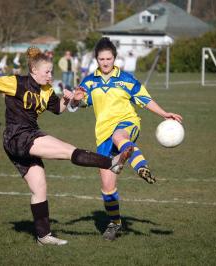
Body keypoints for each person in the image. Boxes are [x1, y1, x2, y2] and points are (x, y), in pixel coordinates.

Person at [0, 47, 133, 246]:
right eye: (47, 72)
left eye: (51, 71)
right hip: (18, 135)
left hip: (28, 136)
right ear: (34, 70)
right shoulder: (16, 82)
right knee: (67, 150)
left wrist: (69, 99)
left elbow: (59, 109)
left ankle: (43, 237)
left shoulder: (47, 90)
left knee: (39, 188)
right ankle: (111, 163)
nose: (50, 75)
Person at [69, 37, 183, 241]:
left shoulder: (126, 79)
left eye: (109, 58)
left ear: (115, 58)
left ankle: (141, 166)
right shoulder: (89, 81)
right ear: (96, 59)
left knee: (119, 135)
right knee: (107, 186)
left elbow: (145, 99)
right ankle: (115, 223)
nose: (105, 62)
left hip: (127, 123)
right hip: (102, 134)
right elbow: (76, 105)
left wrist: (164, 114)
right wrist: (75, 100)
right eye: (102, 59)